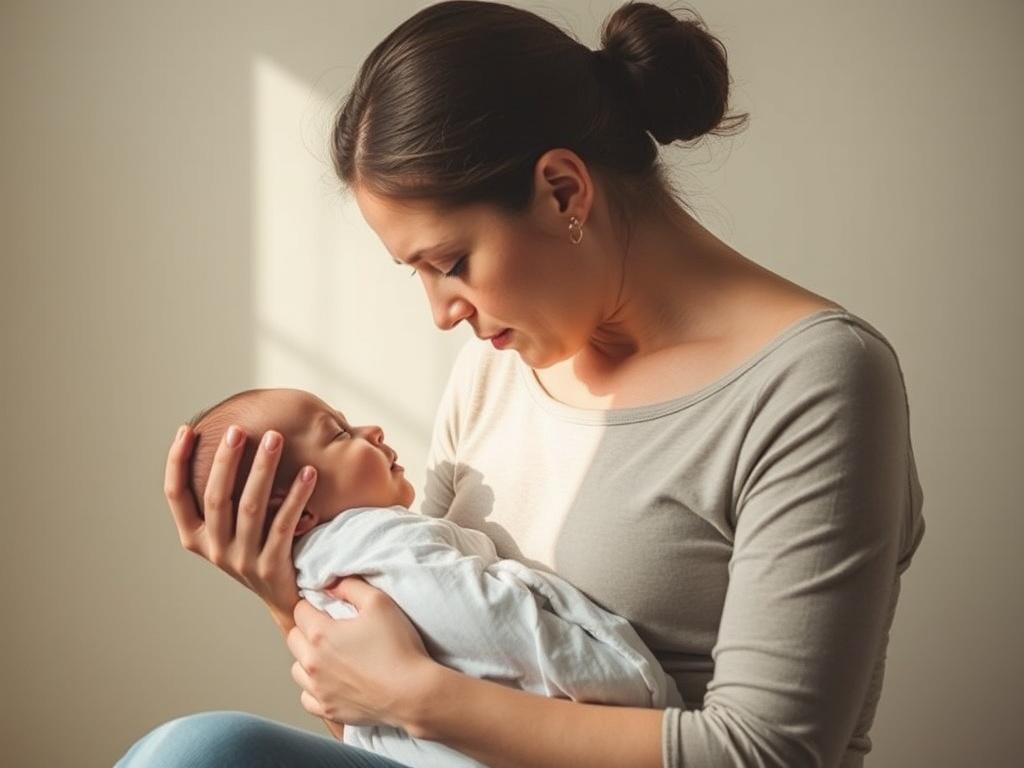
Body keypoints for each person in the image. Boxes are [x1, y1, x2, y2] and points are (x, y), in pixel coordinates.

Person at [119, 1, 926, 766]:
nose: (442, 313)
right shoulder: (499, 367)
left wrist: (427, 699)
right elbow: (380, 707)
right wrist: (281, 585)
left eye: (451, 264)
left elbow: (771, 753)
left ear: (563, 191)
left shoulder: (812, 381)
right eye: (419, 275)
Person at [179, 386, 682, 767]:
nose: (371, 430)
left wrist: (410, 690)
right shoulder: (379, 545)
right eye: (338, 433)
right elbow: (488, 621)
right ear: (297, 512)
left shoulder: (353, 556)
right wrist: (617, 677)